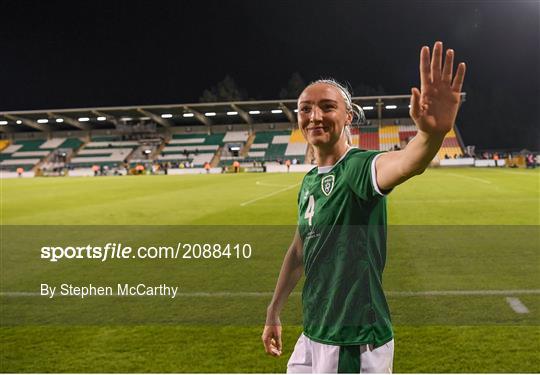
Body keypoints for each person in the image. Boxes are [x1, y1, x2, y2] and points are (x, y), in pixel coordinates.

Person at [261, 41, 466, 373]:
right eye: (305, 109)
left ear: (348, 116)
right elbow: (300, 251)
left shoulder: (357, 168)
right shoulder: (310, 181)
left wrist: (430, 136)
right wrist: (274, 310)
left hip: (351, 343)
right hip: (314, 332)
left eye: (327, 107)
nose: (314, 116)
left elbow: (406, 163)